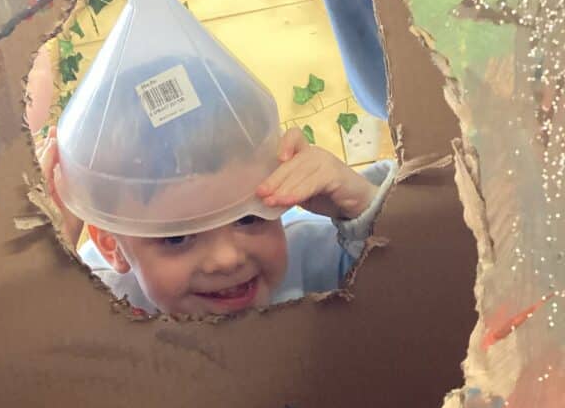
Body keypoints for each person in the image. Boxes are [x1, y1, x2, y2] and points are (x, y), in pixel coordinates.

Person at [40, 125, 395, 317]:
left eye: (250, 217)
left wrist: (360, 205)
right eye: (177, 237)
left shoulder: (313, 256)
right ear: (111, 245)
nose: (227, 259)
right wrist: (46, 269)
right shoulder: (100, 299)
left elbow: (414, 273)